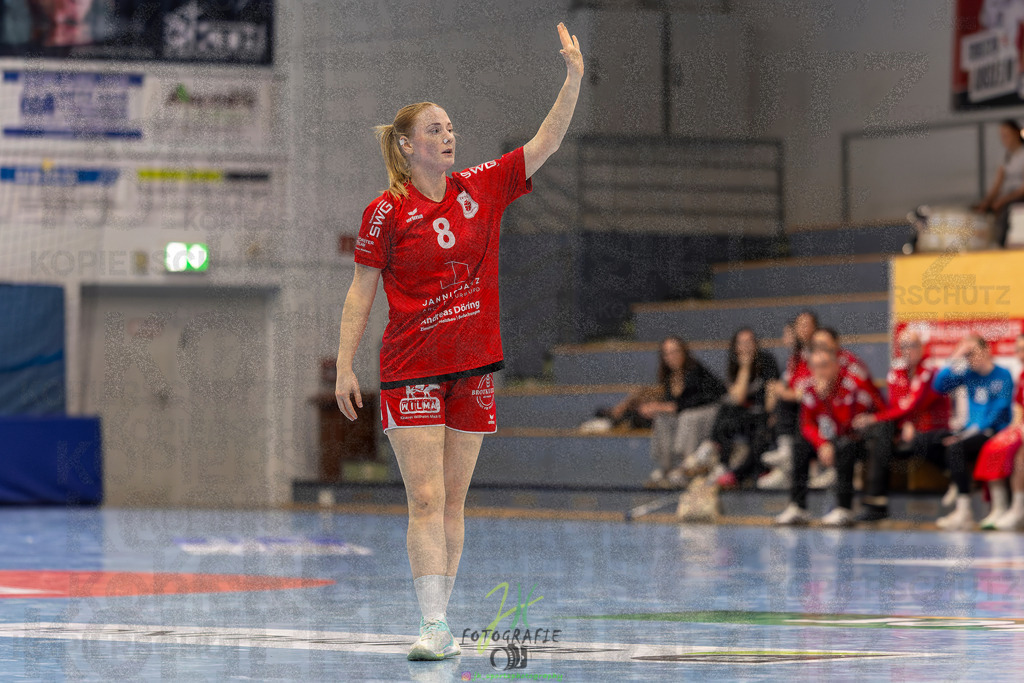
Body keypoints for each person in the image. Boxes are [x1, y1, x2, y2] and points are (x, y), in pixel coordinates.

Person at [334, 23, 583, 661]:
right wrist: (344, 366)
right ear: (409, 147)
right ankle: (432, 624)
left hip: (472, 366)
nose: (449, 136)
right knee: (423, 495)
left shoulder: (480, 188)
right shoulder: (385, 213)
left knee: (454, 497)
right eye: (436, 130)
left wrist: (573, 76)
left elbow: (546, 142)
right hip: (410, 368)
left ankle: (443, 620)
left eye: (451, 127)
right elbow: (362, 291)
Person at [775, 345, 885, 527]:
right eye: (815, 367)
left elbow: (848, 424)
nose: (820, 371)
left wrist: (825, 398)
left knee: (845, 445)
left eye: (825, 366)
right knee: (800, 445)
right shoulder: (810, 388)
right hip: (829, 440)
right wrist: (822, 444)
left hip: (857, 439)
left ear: (835, 366)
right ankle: (798, 507)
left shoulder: (850, 386)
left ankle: (844, 508)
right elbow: (807, 424)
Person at [852, 329, 952, 522]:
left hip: (931, 432)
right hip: (907, 431)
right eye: (903, 346)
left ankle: (876, 501)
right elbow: (897, 405)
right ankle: (872, 500)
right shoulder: (896, 372)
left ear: (922, 348)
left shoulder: (930, 372)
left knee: (880, 428)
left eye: (913, 345)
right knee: (877, 434)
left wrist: (876, 419)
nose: (908, 350)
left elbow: (912, 404)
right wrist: (905, 423)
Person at [932, 334, 1015, 530]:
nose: (970, 359)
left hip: (993, 431)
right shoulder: (968, 375)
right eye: (966, 355)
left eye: (972, 353)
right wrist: (955, 356)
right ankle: (958, 477)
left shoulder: (1003, 374)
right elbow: (938, 386)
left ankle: (963, 509)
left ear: (987, 351)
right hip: (970, 431)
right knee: (933, 441)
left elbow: (999, 411)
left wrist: (965, 434)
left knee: (955, 448)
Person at [643, 336, 727, 488]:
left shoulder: (695, 370)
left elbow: (701, 399)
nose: (671, 357)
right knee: (662, 418)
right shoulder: (670, 377)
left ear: (684, 352)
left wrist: (667, 407)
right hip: (687, 413)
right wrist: (657, 408)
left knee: (687, 418)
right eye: (667, 354)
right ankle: (667, 468)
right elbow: (673, 405)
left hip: (710, 411)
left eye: (675, 352)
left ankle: (686, 468)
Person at [711, 328, 780, 488]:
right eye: (741, 343)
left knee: (760, 429)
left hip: (762, 412)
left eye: (749, 342)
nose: (746, 346)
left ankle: (736, 473)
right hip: (743, 414)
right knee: (725, 413)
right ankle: (721, 461)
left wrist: (771, 413)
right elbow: (738, 398)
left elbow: (772, 392)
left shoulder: (767, 360)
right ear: (735, 347)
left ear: (756, 344)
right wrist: (745, 368)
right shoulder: (736, 365)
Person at [759, 311, 817, 489]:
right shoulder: (796, 357)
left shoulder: (819, 350)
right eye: (798, 325)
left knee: (788, 403)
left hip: (817, 401)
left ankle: (789, 458)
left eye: (805, 325)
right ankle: (785, 467)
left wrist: (792, 393)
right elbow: (791, 383)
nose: (801, 329)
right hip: (798, 401)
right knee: (771, 409)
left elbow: (818, 382)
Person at [973, 333, 1024, 529]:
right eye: (1018, 349)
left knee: (1020, 456)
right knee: (994, 445)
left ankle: (1018, 509)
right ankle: (999, 507)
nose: (1019, 354)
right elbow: (1019, 407)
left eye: (1022, 349)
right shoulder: (1021, 375)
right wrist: (1013, 428)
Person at [974, 119, 1024, 247]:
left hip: (1018, 197)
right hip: (1008, 196)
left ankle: (1001, 244)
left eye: (1007, 135)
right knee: (981, 210)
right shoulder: (1005, 156)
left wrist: (1002, 201)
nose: (1004, 139)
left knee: (1005, 210)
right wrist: (986, 203)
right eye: (1002, 135)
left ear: (1016, 133)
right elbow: (998, 183)